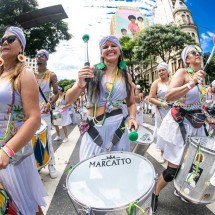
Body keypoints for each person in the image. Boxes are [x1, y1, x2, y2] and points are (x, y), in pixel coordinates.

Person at [151, 45, 207, 213]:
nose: (197, 54)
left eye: (198, 52)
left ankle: (180, 189)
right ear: (186, 59)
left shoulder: (202, 76)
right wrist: (191, 83)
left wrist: (208, 115)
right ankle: (155, 192)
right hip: (180, 125)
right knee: (171, 171)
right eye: (192, 53)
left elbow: (198, 102)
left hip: (197, 125)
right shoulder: (183, 73)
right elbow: (169, 96)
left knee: (194, 166)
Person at [66, 35, 138, 161]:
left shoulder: (126, 75)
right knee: (90, 170)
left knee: (119, 172)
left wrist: (132, 118)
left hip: (118, 128)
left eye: (113, 45)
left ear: (120, 50)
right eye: (105, 47)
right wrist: (79, 84)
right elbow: (68, 100)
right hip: (94, 129)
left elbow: (131, 103)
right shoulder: (91, 71)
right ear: (101, 53)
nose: (110, 48)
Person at [0, 26, 47, 214]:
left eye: (11, 39)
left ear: (21, 48)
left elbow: (34, 118)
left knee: (25, 206)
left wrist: (7, 151)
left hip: (13, 156)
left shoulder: (24, 75)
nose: (4, 42)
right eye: (2, 39)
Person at [35, 49, 59, 178]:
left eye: (42, 55)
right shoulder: (31, 75)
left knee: (47, 139)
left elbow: (56, 93)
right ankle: (38, 165)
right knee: (33, 140)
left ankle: (51, 165)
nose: (39, 57)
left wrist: (49, 103)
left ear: (47, 59)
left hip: (44, 113)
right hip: (32, 113)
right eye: (37, 55)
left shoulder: (51, 75)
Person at [148, 62, 171, 163]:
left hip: (174, 110)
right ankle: (162, 152)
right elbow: (150, 98)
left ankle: (171, 153)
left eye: (163, 70)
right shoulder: (156, 83)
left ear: (167, 71)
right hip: (161, 111)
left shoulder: (174, 81)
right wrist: (161, 103)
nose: (161, 72)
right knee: (162, 131)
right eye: (159, 71)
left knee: (172, 131)